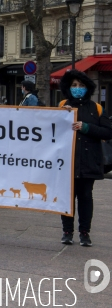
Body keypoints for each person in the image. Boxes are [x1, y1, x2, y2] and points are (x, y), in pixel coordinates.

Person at [59, 70, 112, 246]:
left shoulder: (96, 108)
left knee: (85, 197)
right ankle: (67, 231)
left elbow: (108, 131)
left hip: (89, 160)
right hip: (67, 160)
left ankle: (84, 232)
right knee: (67, 197)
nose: (77, 88)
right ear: (68, 87)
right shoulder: (62, 105)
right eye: (74, 85)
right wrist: (61, 116)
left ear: (87, 88)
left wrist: (86, 127)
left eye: (81, 85)